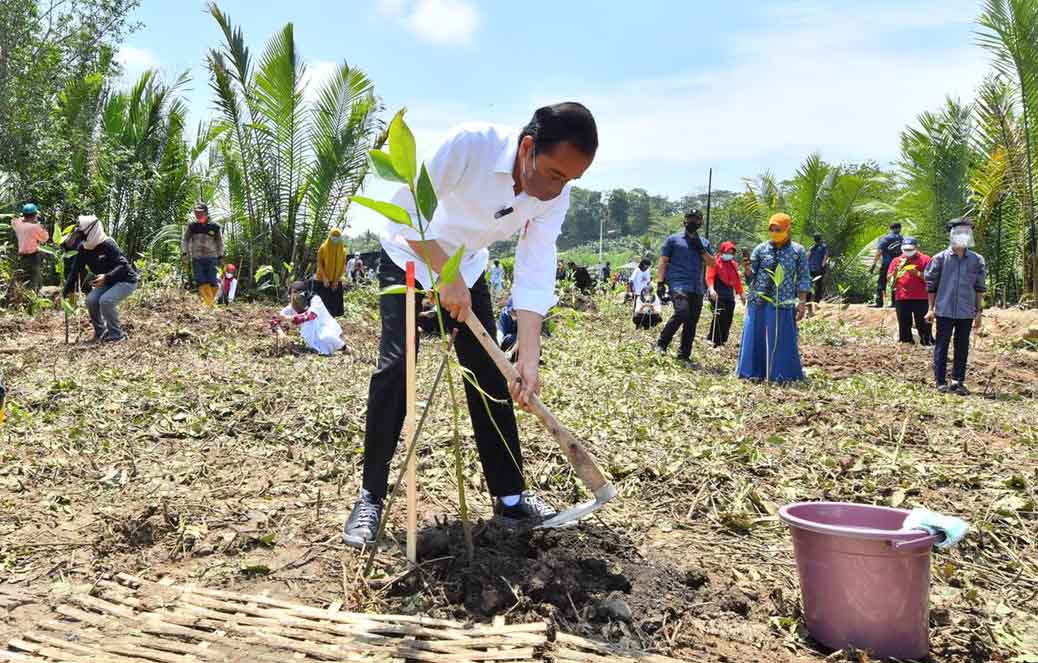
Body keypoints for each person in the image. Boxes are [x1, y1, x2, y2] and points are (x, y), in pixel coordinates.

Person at [342, 102, 598, 548]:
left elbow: (535, 269)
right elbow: (403, 213)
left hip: (469, 268)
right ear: (527, 147)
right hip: (411, 255)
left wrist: (529, 358)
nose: (560, 190)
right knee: (397, 370)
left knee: (493, 378)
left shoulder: (554, 196)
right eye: (556, 174)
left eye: (571, 180)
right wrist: (443, 273)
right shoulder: (471, 145)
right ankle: (371, 498)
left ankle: (510, 496)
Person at [737, 213, 811, 382]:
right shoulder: (761, 249)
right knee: (755, 337)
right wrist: (747, 268)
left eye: (779, 229)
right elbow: (751, 277)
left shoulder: (797, 251)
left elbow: (803, 278)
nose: (775, 232)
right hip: (758, 300)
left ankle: (781, 375)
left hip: (782, 301)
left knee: (782, 338)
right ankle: (753, 373)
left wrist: (801, 302)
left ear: (787, 229)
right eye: (772, 229)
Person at [925, 218, 986, 395]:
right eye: (959, 232)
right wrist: (930, 309)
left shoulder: (976, 260)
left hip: (966, 311)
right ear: (951, 235)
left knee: (962, 347)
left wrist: (978, 312)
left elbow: (979, 287)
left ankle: (957, 381)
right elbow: (931, 286)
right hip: (944, 310)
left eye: (966, 233)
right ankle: (940, 381)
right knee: (941, 345)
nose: (963, 236)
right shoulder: (939, 259)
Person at [62, 215, 139, 344]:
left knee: (106, 300)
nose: (79, 236)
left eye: (81, 233)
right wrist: (65, 293)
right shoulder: (83, 248)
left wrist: (107, 277)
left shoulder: (107, 244)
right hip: (107, 282)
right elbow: (75, 271)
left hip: (126, 280)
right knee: (91, 300)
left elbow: (123, 266)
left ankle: (117, 335)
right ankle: (101, 332)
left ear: (91, 231)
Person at [655, 209, 712, 367]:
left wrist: (700, 247)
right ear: (685, 221)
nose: (693, 221)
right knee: (682, 312)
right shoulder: (673, 240)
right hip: (678, 284)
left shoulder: (705, 243)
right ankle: (661, 344)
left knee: (692, 321)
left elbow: (712, 263)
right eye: (690, 218)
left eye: (696, 219)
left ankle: (684, 355)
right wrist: (660, 283)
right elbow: (663, 261)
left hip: (697, 287)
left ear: (700, 223)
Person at [276, 281, 346, 356]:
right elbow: (275, 321)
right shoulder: (291, 308)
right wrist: (280, 333)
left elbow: (310, 316)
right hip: (309, 333)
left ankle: (345, 348)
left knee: (327, 338)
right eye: (294, 292)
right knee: (315, 346)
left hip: (323, 325)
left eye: (300, 292)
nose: (297, 295)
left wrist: (288, 318)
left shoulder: (315, 300)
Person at [887, 237, 932, 346]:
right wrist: (896, 272)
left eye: (910, 249)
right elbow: (889, 278)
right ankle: (906, 344)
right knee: (904, 324)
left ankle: (926, 343)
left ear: (916, 248)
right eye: (905, 249)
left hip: (921, 297)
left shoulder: (926, 259)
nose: (907, 252)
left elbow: (931, 279)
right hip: (902, 297)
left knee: (924, 325)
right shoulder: (896, 260)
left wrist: (917, 273)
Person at [705, 241, 746, 347]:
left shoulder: (733, 265)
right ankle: (714, 339)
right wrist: (711, 289)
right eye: (728, 251)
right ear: (722, 250)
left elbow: (736, 281)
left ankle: (722, 340)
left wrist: (741, 294)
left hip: (728, 294)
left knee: (728, 316)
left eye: (732, 253)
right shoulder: (715, 262)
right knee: (719, 315)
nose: (730, 254)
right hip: (717, 293)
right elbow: (709, 276)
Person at [181, 203, 223, 307]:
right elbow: (185, 240)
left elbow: (220, 243)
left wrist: (221, 256)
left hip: (212, 258)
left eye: (200, 212)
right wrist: (185, 253)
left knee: (213, 281)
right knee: (201, 280)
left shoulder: (215, 226)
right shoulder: (192, 226)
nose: (198, 215)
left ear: (206, 212)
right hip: (197, 258)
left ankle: (210, 302)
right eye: (196, 213)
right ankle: (209, 304)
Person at [8, 203, 49, 299]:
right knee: (34, 280)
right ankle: (34, 301)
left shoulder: (18, 224)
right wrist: (38, 224)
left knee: (24, 279)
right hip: (33, 256)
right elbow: (45, 238)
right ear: (34, 215)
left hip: (22, 257)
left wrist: (24, 219)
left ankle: (24, 299)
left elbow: (14, 220)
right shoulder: (34, 227)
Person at [870, 222, 903, 308]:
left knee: (881, 282)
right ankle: (895, 303)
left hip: (887, 263)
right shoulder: (902, 239)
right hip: (898, 264)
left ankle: (879, 302)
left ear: (890, 228)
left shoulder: (886, 238)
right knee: (896, 282)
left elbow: (879, 251)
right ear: (900, 228)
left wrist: (874, 264)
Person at [316, 228, 347, 317]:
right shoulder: (323, 248)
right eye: (333, 236)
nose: (335, 238)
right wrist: (325, 278)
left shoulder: (343, 251)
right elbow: (319, 264)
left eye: (338, 237)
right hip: (323, 281)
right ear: (330, 236)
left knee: (334, 306)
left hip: (336, 282)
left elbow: (343, 266)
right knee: (323, 306)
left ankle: (331, 324)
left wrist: (336, 281)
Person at [808, 233, 829, 303]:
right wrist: (823, 265)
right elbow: (825, 256)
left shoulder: (816, 247)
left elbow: (808, 256)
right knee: (815, 285)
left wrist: (822, 265)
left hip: (814, 268)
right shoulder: (819, 247)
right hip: (815, 268)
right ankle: (813, 300)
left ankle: (812, 300)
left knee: (814, 284)